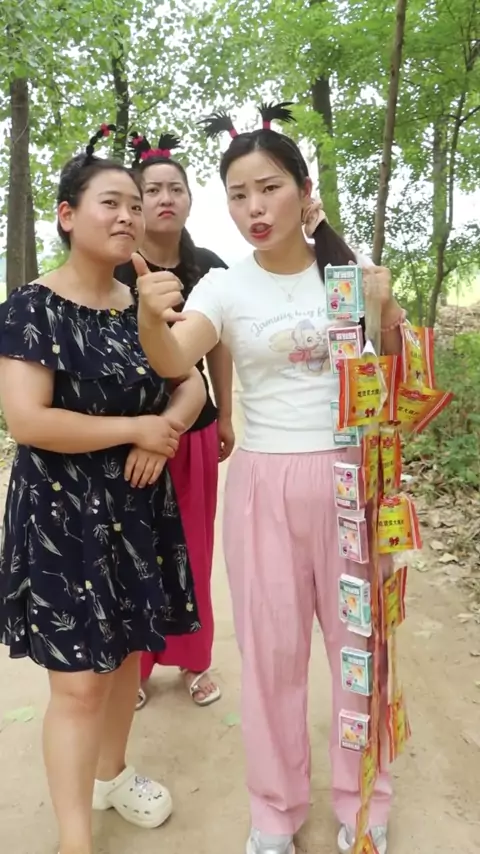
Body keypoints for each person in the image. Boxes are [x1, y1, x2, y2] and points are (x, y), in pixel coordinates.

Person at [133, 102, 407, 854]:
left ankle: (364, 800)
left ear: (303, 190)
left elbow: (398, 376)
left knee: (360, 651)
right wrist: (153, 318)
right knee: (272, 659)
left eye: (270, 188)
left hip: (352, 484)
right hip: (263, 487)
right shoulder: (225, 288)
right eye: (239, 194)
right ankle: (275, 811)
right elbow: (173, 355)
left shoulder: (348, 275)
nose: (254, 208)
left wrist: (384, 309)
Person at [0, 125, 207, 854]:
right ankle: (73, 838)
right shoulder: (32, 307)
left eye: (134, 205)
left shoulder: (141, 301)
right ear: (66, 215)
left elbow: (191, 383)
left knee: (124, 657)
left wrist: (165, 429)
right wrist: (134, 428)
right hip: (62, 512)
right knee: (78, 682)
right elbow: (27, 419)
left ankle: (112, 775)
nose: (128, 215)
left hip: (135, 507)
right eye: (110, 203)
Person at [115, 130, 234, 709]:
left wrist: (226, 415)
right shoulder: (113, 270)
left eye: (176, 189)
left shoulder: (210, 269)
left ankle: (194, 660)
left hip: (193, 429)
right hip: (126, 437)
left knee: (193, 547)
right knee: (133, 550)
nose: (165, 198)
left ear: (189, 199)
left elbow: (219, 349)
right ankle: (134, 667)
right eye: (152, 190)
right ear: (136, 202)